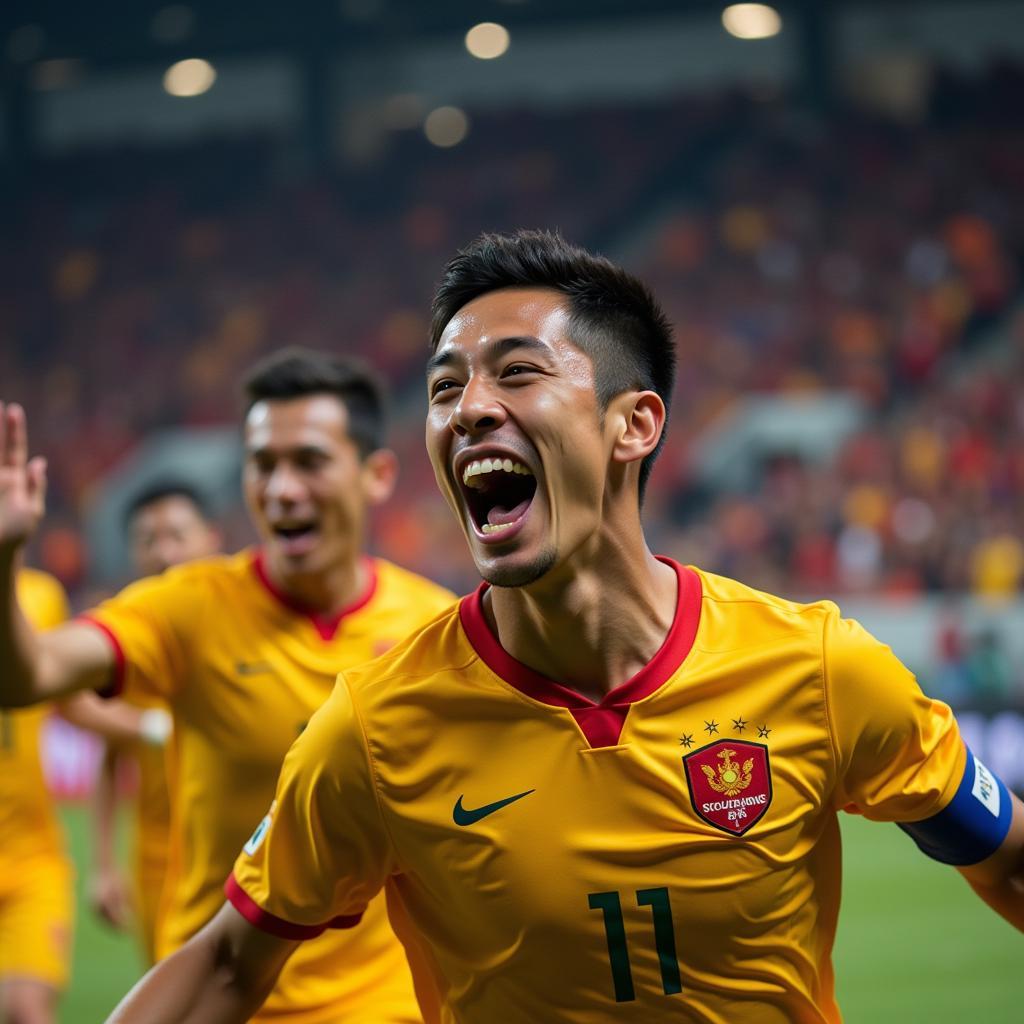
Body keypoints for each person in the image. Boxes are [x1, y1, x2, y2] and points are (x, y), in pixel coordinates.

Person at [13, 233, 1024, 1022]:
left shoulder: (814, 667)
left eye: (516, 373)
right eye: (446, 388)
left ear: (633, 423)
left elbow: (1000, 853)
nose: (466, 411)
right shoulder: (376, 725)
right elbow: (228, 962)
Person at [0, 347, 456, 1023]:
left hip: (380, 1007)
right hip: (221, 996)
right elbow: (28, 675)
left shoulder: (434, 631)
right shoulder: (189, 608)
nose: (281, 489)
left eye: (309, 461)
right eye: (263, 464)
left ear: (377, 474)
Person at [1, 567, 153, 1024]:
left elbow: (68, 701)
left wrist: (153, 726)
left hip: (30, 857)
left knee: (26, 1011)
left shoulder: (40, 596)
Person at [90, 482, 222, 963]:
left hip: (241, 849)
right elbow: (107, 757)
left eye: (176, 535)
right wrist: (103, 865)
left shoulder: (246, 620)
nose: (163, 552)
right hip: (158, 859)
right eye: (148, 540)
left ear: (211, 538)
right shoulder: (128, 636)